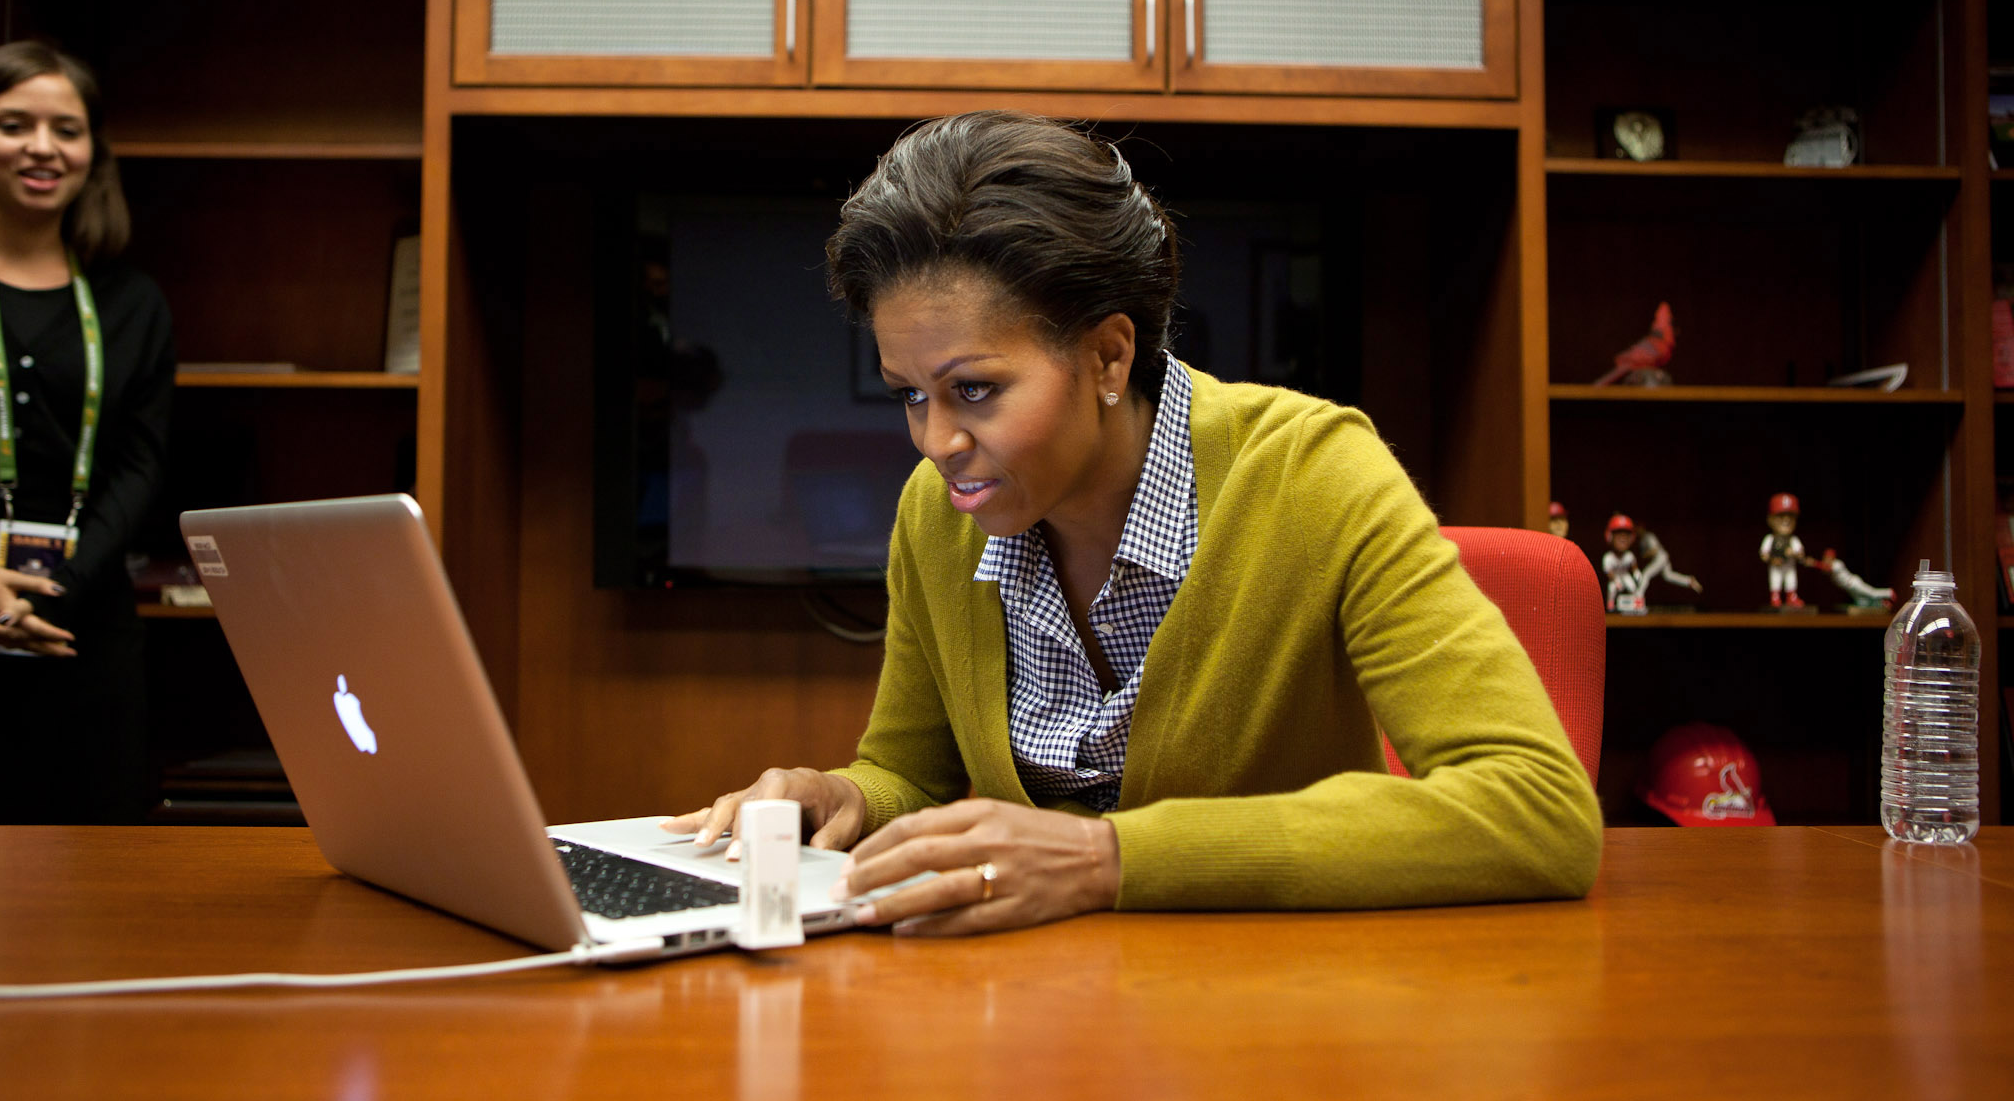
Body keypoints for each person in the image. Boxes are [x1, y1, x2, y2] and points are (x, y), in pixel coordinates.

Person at [666, 111, 1600, 935]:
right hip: (1020, 1033)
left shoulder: (1315, 473)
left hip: (1282, 1030)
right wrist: (844, 798)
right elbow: (915, 772)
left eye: (976, 390)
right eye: (911, 395)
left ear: (1109, 354)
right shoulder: (941, 515)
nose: (937, 441)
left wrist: (1109, 859)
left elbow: (1536, 808)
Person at [0, 41, 174, 821]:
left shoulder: (131, 303)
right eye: (14, 124)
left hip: (85, 621)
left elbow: (142, 463)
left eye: (67, 128)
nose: (42, 148)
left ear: (94, 152)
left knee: (97, 872)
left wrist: (58, 587)